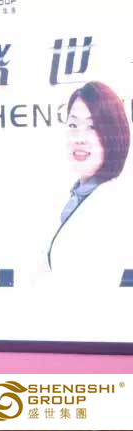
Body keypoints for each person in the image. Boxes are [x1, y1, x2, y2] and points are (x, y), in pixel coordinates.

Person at [46, 81, 132, 287]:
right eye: (73, 125)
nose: (79, 138)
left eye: (92, 127)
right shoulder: (77, 196)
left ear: (113, 135)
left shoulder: (111, 205)